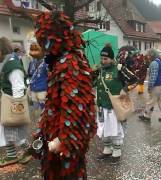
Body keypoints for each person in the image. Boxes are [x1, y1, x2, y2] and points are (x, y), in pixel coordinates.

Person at [32, 11, 96, 179]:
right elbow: (53, 104)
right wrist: (41, 132)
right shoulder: (57, 62)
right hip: (53, 140)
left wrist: (63, 141)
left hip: (64, 147)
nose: (39, 43)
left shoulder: (69, 63)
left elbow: (77, 109)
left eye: (42, 38)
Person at [0, 37, 31, 167]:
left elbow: (18, 86)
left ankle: (30, 150)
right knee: (4, 132)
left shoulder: (12, 64)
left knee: (15, 130)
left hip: (10, 104)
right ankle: (11, 155)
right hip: (0, 104)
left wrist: (16, 108)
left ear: (1, 48)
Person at [95, 44, 137, 164]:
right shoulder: (99, 69)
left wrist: (125, 89)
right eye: (102, 58)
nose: (103, 61)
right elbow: (91, 82)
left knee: (115, 129)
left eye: (106, 59)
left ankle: (117, 151)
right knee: (103, 128)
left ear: (112, 59)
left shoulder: (119, 68)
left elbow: (134, 80)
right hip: (101, 105)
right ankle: (107, 149)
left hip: (115, 106)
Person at [139, 49, 161, 122]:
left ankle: (146, 116)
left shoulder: (153, 63)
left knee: (151, 101)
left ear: (152, 55)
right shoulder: (159, 60)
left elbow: (153, 76)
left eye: (148, 55)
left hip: (156, 86)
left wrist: (150, 87)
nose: (148, 57)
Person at [27, 42, 47, 120]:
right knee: (36, 111)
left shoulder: (46, 62)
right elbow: (29, 75)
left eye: (36, 50)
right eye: (32, 50)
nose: (33, 52)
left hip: (43, 89)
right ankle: (39, 125)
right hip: (33, 89)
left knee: (44, 110)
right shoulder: (32, 63)